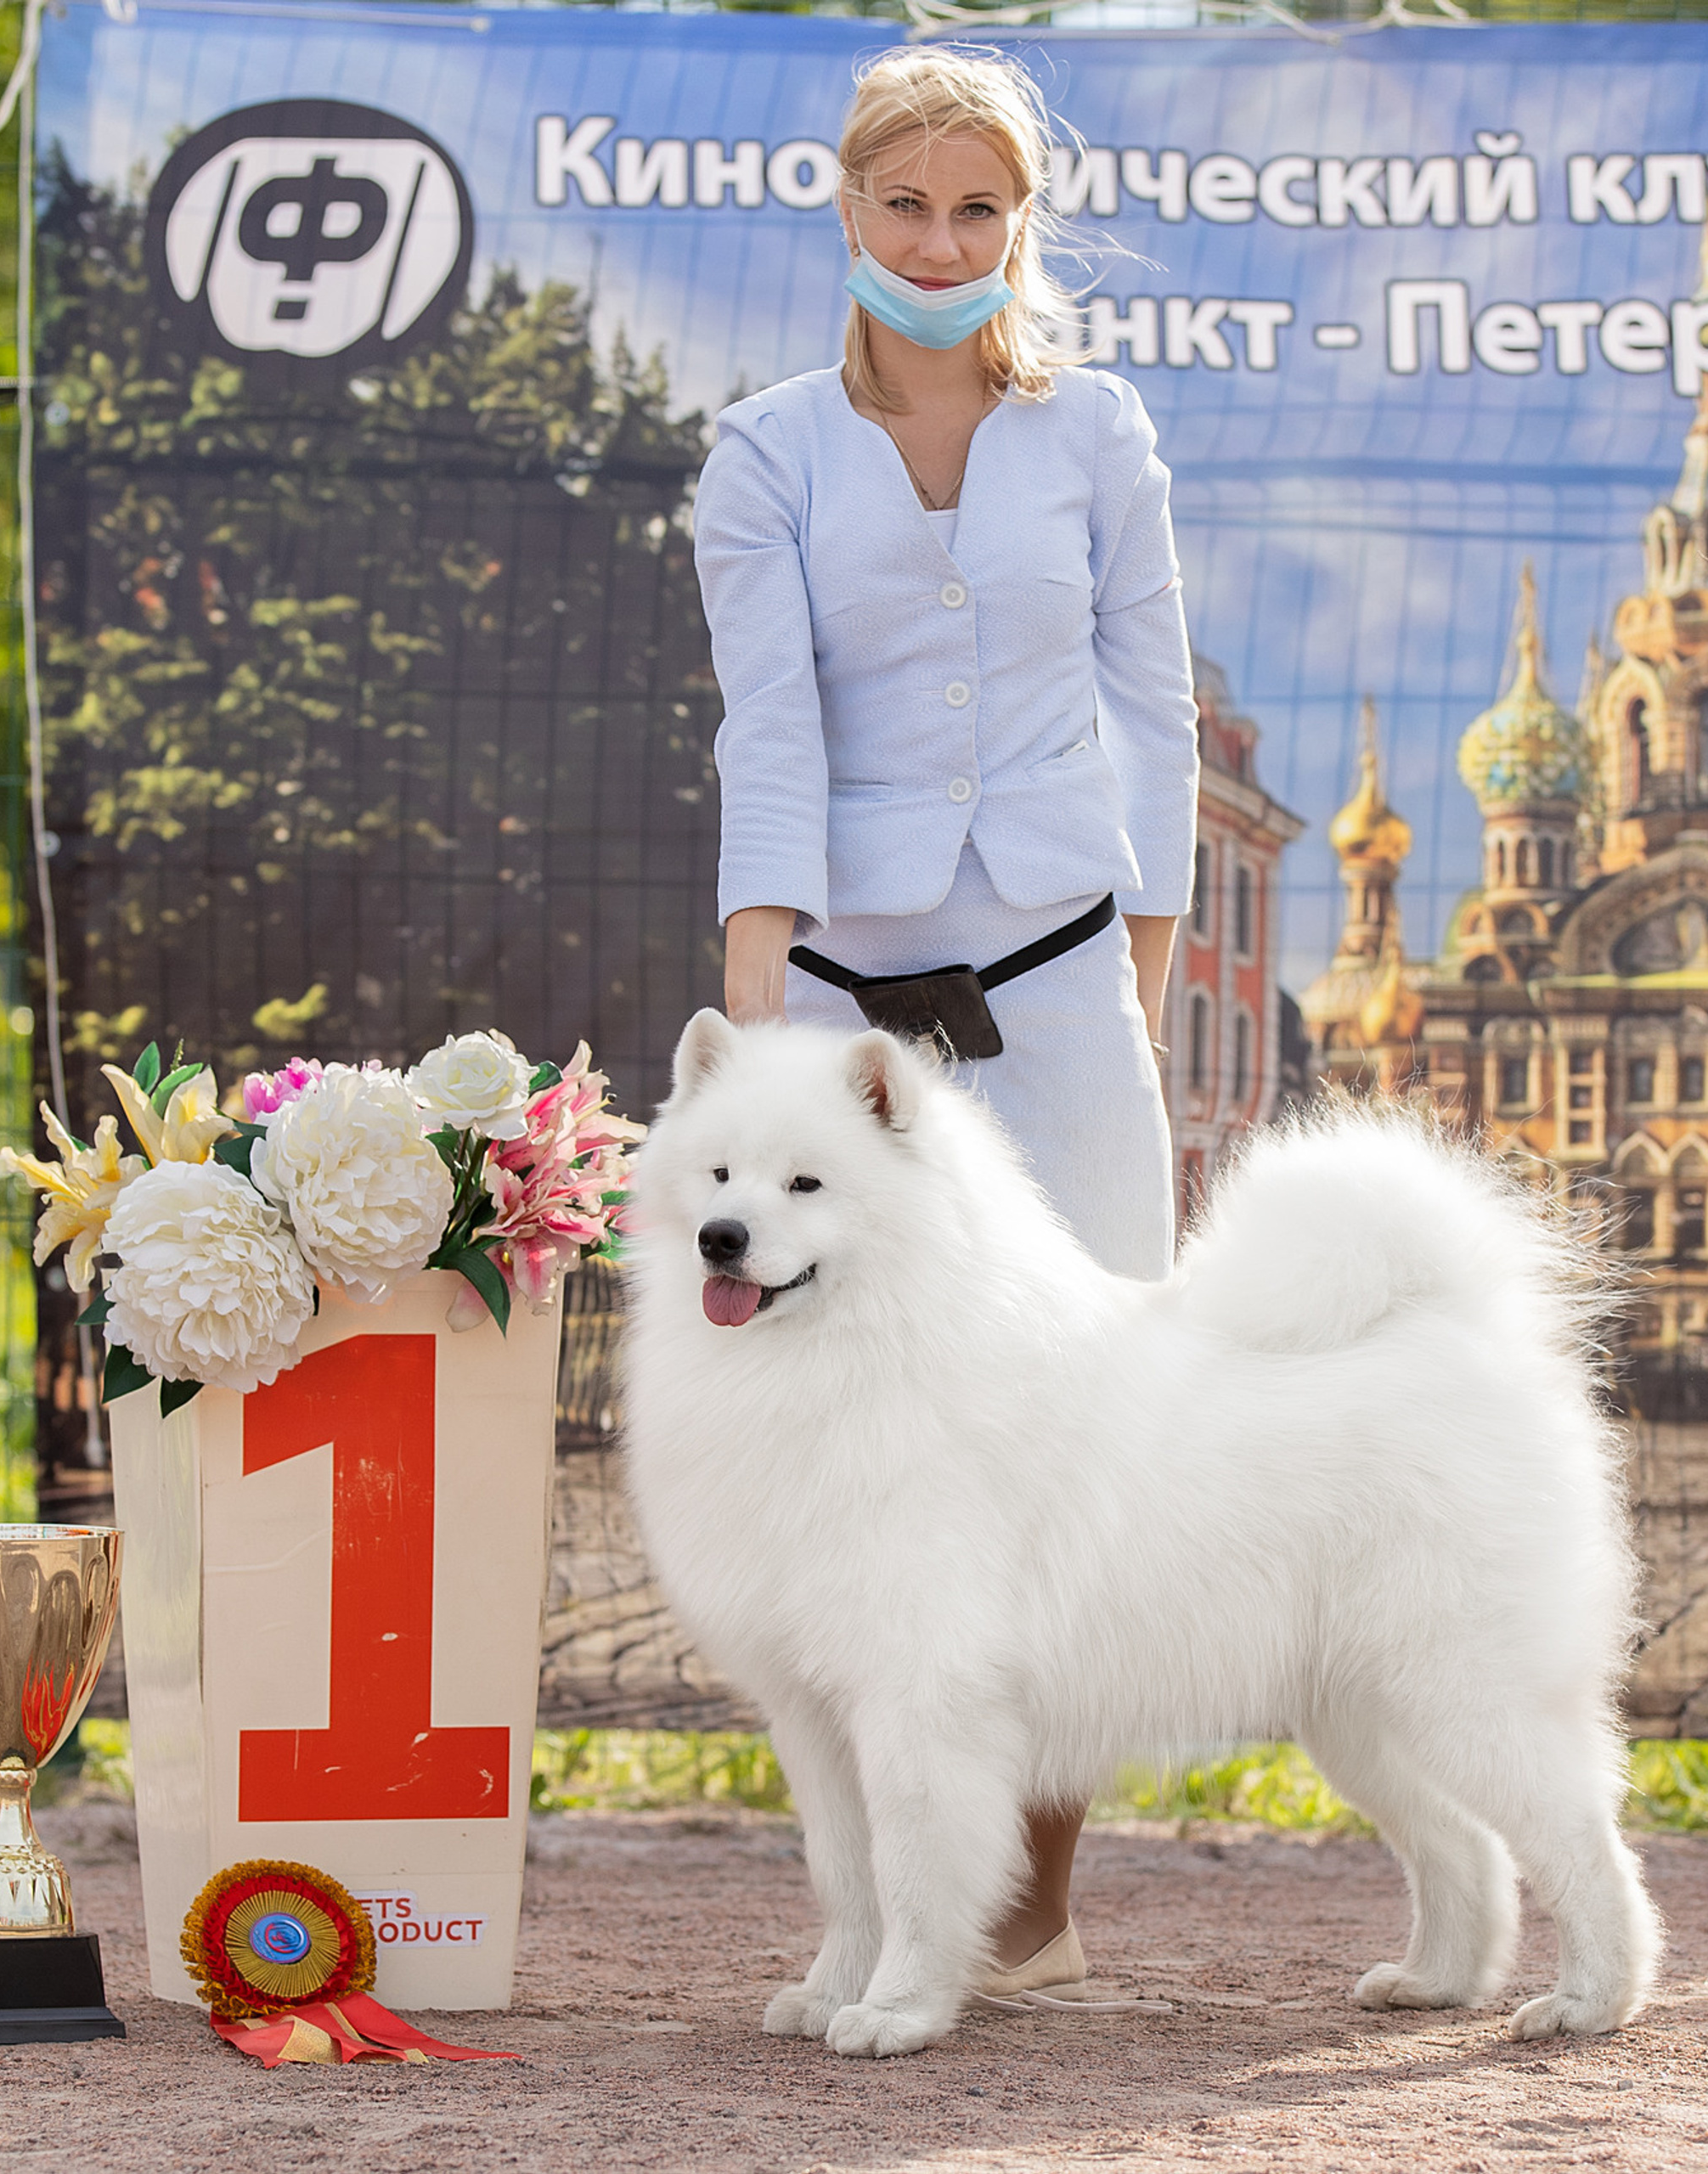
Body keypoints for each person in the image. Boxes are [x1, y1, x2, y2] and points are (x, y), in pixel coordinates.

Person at [691, 43, 1200, 2002]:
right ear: (848, 210)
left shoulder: (1100, 437)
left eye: (976, 208)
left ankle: (1030, 1903)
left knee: (1079, 1418)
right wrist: (757, 985)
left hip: (1063, 980)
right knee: (852, 1440)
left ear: (1019, 225)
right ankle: (890, 1894)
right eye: (905, 205)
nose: (940, 239)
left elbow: (1149, 703)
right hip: (841, 1005)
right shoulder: (762, 454)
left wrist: (1136, 972)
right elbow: (772, 721)